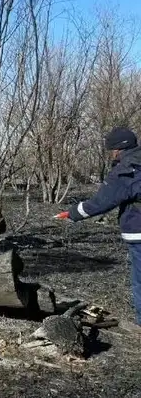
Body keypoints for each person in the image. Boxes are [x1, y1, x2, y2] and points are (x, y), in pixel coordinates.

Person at [62, 127, 141, 334]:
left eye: (111, 150)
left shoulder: (127, 169)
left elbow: (102, 202)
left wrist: (74, 213)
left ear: (117, 150)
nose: (111, 154)